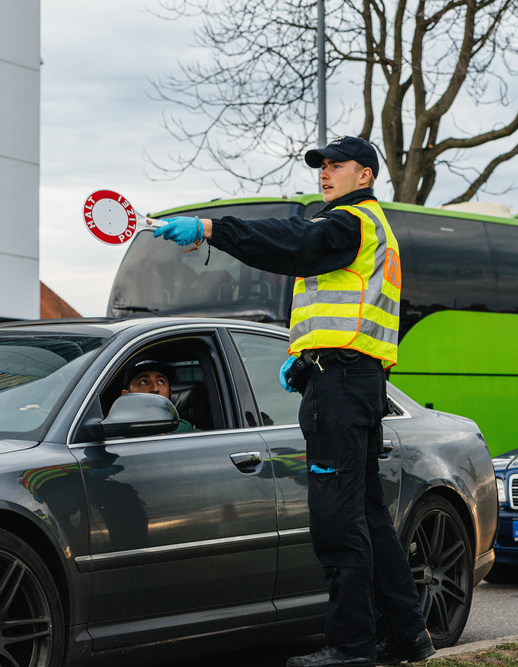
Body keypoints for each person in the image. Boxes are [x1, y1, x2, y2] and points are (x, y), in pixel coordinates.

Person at [154, 136, 432, 667]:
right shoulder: (370, 229)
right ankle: (407, 634)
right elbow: (341, 307)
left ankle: (350, 647)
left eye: (337, 166)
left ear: (365, 176)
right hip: (355, 379)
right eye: (321, 167)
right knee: (369, 514)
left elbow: (291, 244)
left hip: (341, 386)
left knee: (336, 518)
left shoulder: (350, 222)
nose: (326, 174)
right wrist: (303, 356)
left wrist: (214, 228)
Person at [118, 357, 194, 433]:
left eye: (161, 381)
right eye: (143, 382)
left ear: (170, 394)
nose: (155, 389)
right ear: (126, 396)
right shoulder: (116, 432)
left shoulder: (182, 430)